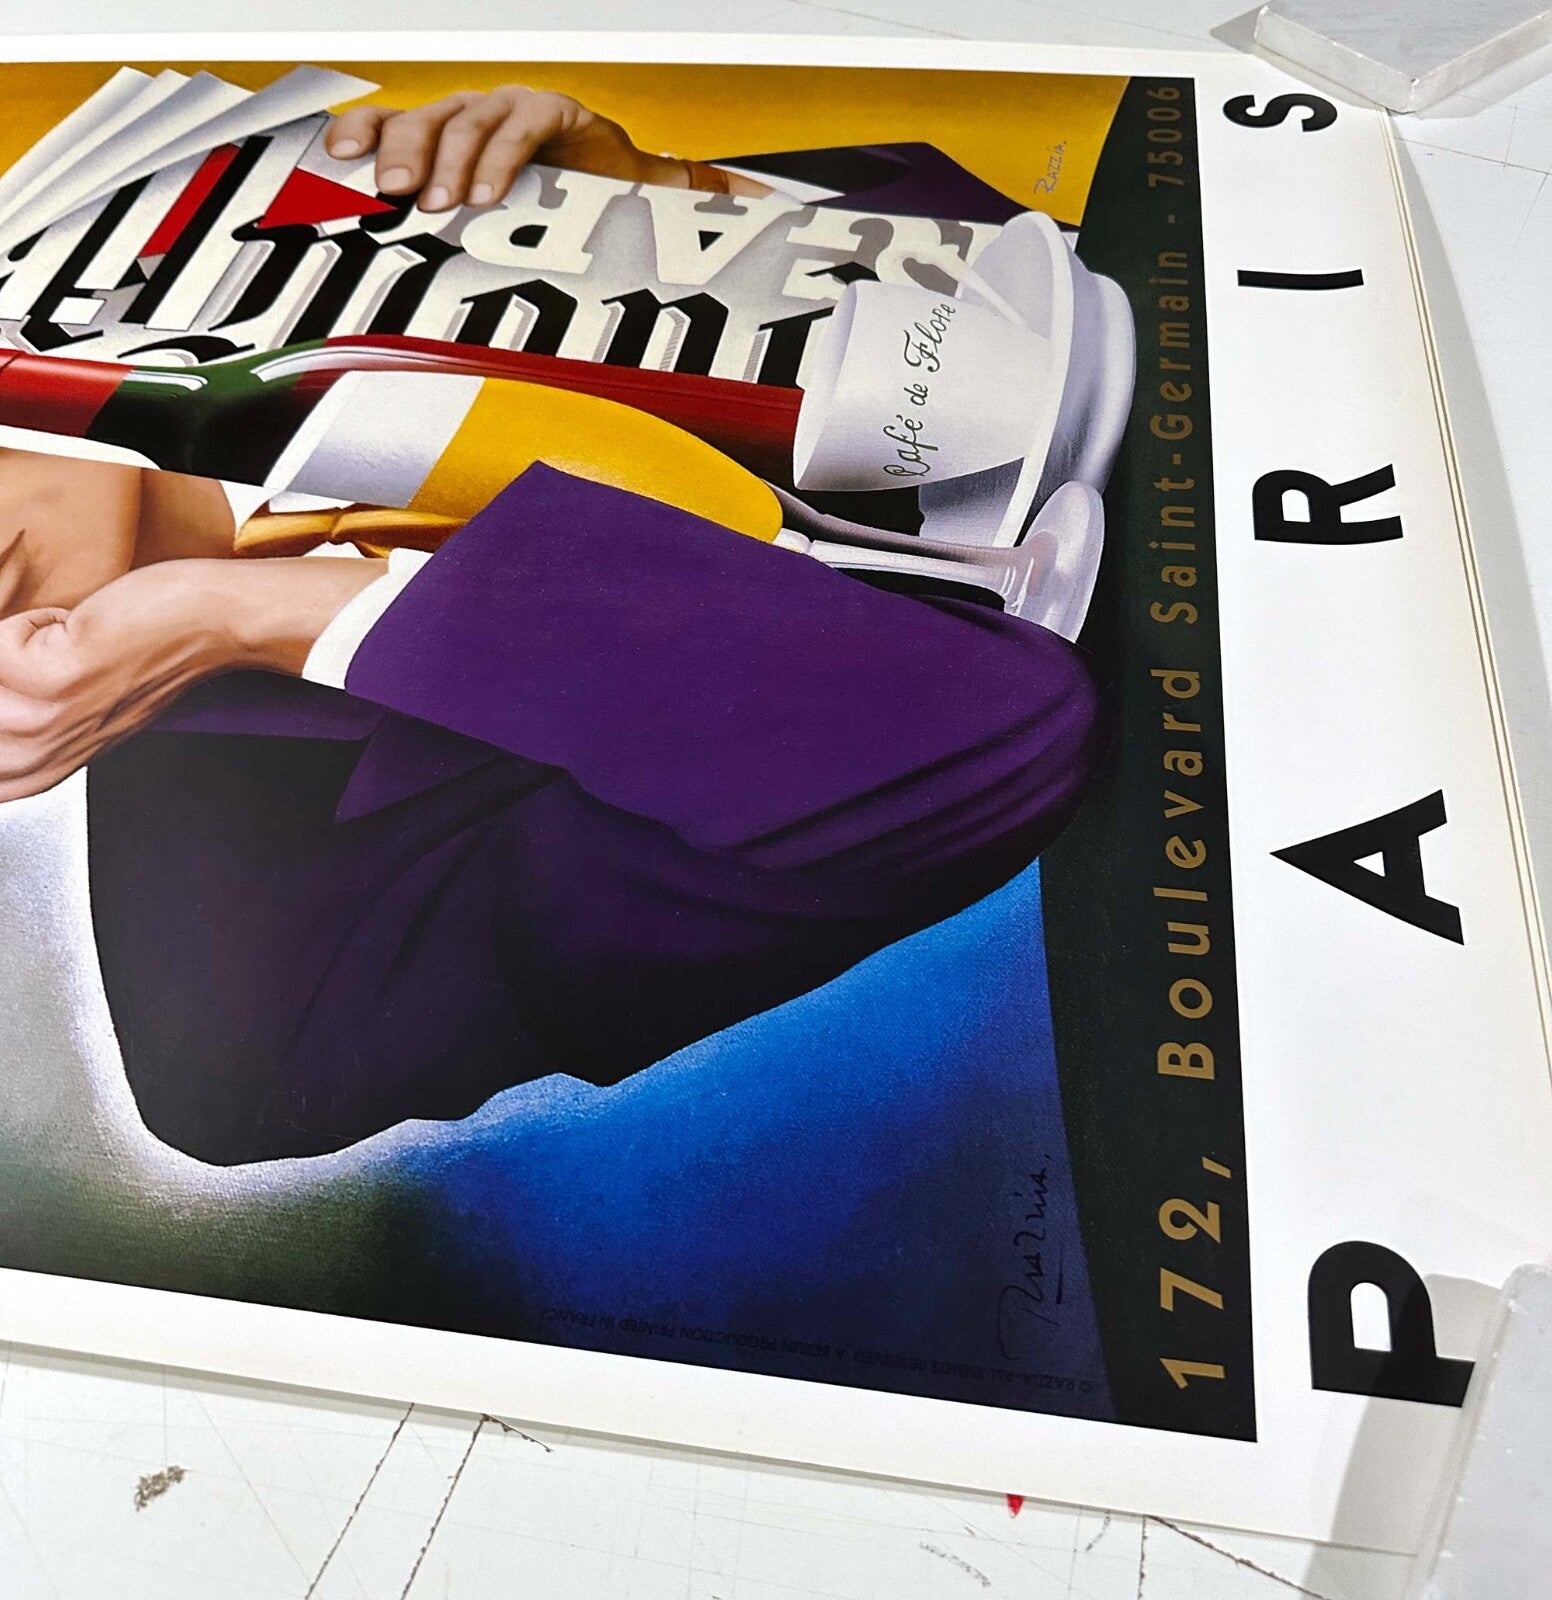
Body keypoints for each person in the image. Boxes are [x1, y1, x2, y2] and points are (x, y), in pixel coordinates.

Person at [0, 88, 1107, 1166]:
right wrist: (252, 614)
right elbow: (991, 735)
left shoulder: (250, 234)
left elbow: (1089, 276)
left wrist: (694, 213)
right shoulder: (242, 1027)